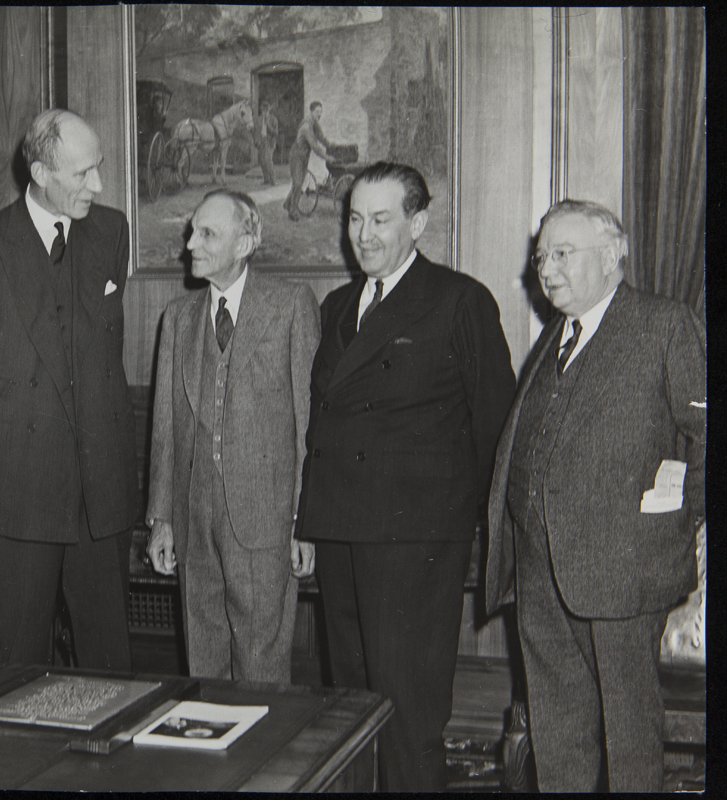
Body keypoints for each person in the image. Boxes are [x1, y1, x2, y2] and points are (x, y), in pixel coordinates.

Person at [295, 161, 516, 791]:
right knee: (352, 704)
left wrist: (452, 522)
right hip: (341, 529)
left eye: (381, 220)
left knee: (408, 708)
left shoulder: (458, 300)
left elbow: (494, 426)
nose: (363, 235)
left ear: (417, 223)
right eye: (355, 219)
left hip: (412, 540)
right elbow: (322, 424)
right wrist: (308, 521)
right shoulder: (338, 305)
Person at [485, 200, 705, 792]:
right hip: (541, 574)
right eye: (540, 257)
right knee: (558, 731)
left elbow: (705, 433)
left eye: (562, 254)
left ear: (611, 256)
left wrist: (675, 512)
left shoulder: (664, 324)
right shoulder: (559, 336)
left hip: (623, 572)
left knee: (629, 735)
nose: (547, 270)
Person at [0, 109, 139, 671]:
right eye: (81, 175)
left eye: (98, 169)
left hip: (102, 490)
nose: (97, 186)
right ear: (40, 172)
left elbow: (100, 353)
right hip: (20, 486)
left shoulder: (111, 232)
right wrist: (13, 425)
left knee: (109, 661)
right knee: (21, 662)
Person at [146, 189, 319, 683]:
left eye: (207, 234)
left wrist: (302, 520)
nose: (190, 246)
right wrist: (162, 520)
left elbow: (308, 423)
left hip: (265, 521)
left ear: (246, 242)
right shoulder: (178, 319)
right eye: (191, 232)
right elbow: (166, 426)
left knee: (261, 666)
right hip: (194, 520)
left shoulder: (290, 305)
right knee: (203, 658)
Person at [283, 101, 330, 221]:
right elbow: (315, 146)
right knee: (298, 183)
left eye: (321, 112)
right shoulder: (306, 126)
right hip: (296, 156)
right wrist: (327, 157)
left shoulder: (314, 123)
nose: (319, 114)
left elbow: (322, 138)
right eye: (317, 112)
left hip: (304, 157)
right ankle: (293, 212)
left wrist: (332, 147)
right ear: (311, 111)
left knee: (299, 181)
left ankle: (288, 204)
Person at [253, 101, 279, 186]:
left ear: (269, 110)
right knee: (262, 161)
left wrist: (268, 126)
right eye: (263, 110)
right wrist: (256, 141)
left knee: (268, 160)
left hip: (269, 141)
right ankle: (266, 179)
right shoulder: (258, 119)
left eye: (266, 110)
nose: (265, 111)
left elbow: (275, 133)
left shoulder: (273, 119)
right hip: (261, 141)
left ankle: (273, 180)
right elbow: (256, 131)